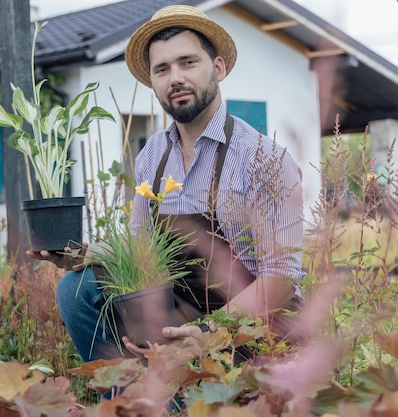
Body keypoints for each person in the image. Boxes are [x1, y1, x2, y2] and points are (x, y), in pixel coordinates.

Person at [28, 5, 305, 362]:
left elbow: (280, 279)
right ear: (153, 83)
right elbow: (142, 249)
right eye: (162, 69)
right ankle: (125, 397)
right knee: (76, 288)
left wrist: (210, 333)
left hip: (255, 326)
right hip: (183, 313)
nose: (175, 77)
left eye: (188, 63)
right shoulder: (152, 156)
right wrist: (89, 254)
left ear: (217, 68)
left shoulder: (264, 160)